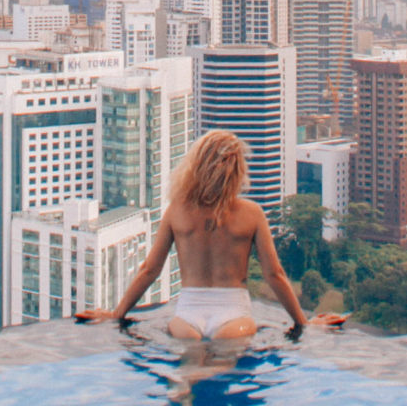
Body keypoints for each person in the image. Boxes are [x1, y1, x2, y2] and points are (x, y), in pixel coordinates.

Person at [81, 128, 339, 339]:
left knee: (187, 374)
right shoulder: (252, 213)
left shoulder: (177, 211)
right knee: (222, 373)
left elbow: (150, 269)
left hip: (187, 317)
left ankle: (184, 390)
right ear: (237, 171)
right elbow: (275, 275)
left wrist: (117, 314)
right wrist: (303, 323)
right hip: (234, 315)